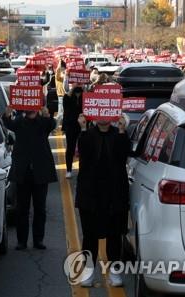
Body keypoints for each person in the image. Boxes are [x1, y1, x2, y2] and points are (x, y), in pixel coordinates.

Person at [75, 113, 131, 287]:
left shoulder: (119, 134)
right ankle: (89, 272)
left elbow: (124, 155)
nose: (103, 117)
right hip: (90, 194)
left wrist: (122, 130)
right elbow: (83, 153)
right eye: (99, 113)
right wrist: (83, 127)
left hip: (115, 193)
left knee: (114, 235)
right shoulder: (88, 134)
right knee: (90, 236)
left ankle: (115, 271)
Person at [3, 106, 57, 250]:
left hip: (40, 172)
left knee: (40, 209)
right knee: (22, 209)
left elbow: (52, 124)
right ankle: (22, 241)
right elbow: (8, 123)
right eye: (28, 110)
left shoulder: (43, 123)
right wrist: (8, 112)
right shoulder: (19, 122)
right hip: (23, 173)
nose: (31, 112)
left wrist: (46, 114)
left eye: (33, 110)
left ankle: (38, 240)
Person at [62, 83, 83, 179]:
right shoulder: (68, 97)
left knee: (84, 148)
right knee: (70, 148)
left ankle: (83, 169)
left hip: (83, 125)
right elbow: (65, 110)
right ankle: (69, 169)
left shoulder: (85, 96)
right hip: (71, 126)